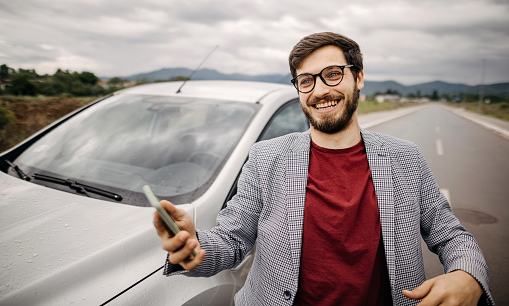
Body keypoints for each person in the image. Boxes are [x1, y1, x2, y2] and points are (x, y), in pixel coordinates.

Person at [153, 32, 494, 305]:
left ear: (358, 78)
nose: (320, 91)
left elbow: (450, 236)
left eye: (332, 74)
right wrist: (196, 247)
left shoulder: (406, 158)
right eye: (306, 81)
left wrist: (467, 274)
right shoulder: (266, 158)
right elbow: (232, 239)